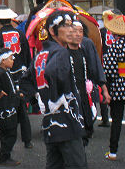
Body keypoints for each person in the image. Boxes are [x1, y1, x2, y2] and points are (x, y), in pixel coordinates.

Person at [21, 10, 86, 169]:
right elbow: (51, 71)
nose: (71, 30)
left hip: (50, 122)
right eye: (65, 26)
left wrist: (38, 97)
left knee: (54, 165)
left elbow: (24, 81)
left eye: (72, 26)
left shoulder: (41, 54)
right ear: (52, 30)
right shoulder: (61, 52)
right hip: (67, 121)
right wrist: (55, 95)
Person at [0, 5, 33, 148]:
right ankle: (27, 140)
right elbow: (27, 56)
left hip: (3, 77)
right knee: (22, 108)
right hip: (20, 75)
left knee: (2, 104)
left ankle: (4, 133)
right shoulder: (21, 34)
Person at [69, 20, 110, 146]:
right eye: (74, 31)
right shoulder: (61, 50)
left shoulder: (86, 45)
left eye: (80, 31)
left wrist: (104, 89)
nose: (78, 34)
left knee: (86, 129)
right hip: (69, 97)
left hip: (85, 94)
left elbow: (96, 67)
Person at [102, 9, 125, 161]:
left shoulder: (114, 47)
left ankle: (113, 152)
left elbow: (109, 71)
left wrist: (108, 89)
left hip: (119, 86)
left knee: (117, 121)